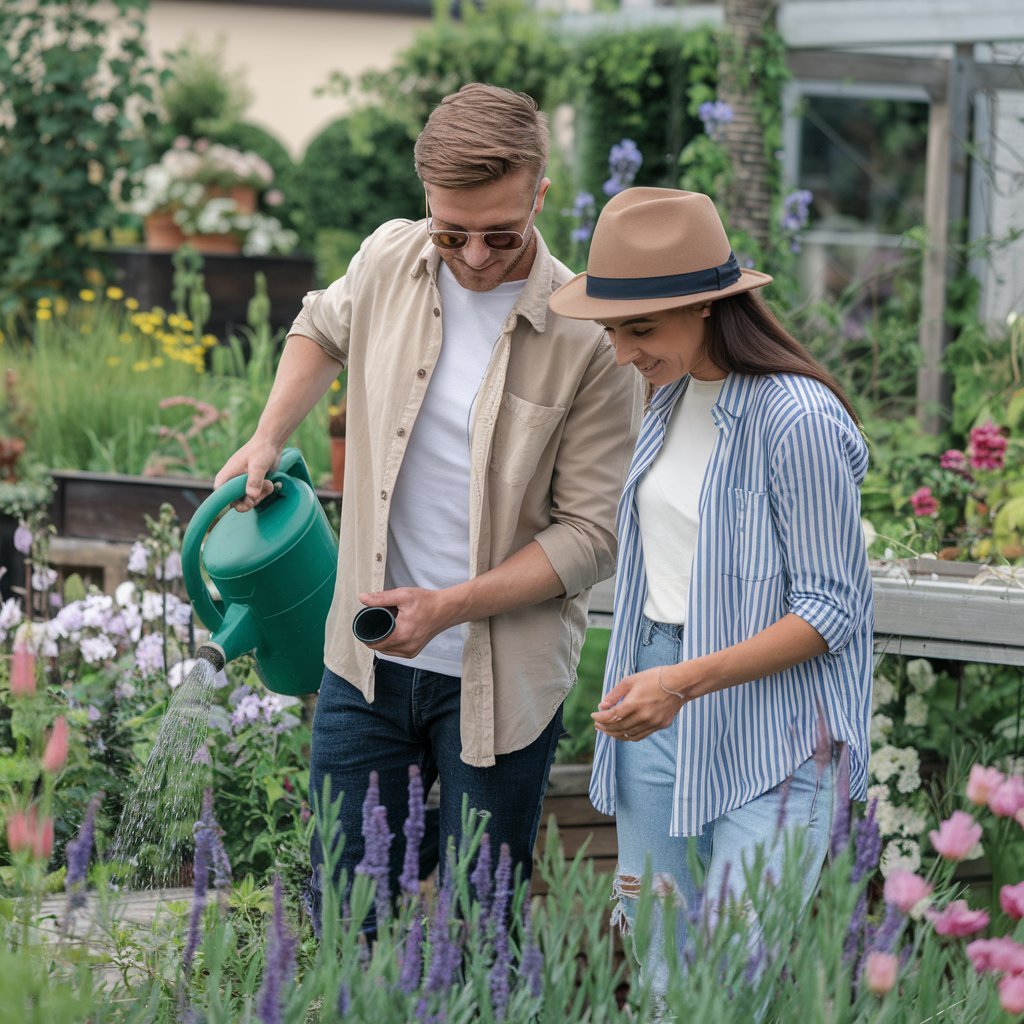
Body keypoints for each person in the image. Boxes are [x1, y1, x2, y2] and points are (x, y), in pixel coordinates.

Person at [213, 84, 641, 924]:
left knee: (481, 931)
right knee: (344, 915)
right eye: (452, 232)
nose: (475, 256)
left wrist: (447, 608)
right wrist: (267, 434)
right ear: (425, 205)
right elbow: (317, 325)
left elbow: (593, 536)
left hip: (503, 679)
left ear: (541, 194)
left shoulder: (591, 336)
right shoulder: (388, 259)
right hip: (366, 665)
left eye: (500, 234)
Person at [548, 187, 873, 998]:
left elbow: (834, 607)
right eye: (612, 329)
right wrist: (659, 680)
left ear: (705, 306)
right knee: (659, 974)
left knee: (732, 979)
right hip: (655, 703)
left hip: (777, 726)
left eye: (640, 328)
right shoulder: (666, 397)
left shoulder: (796, 419)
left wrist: (683, 682)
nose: (622, 352)